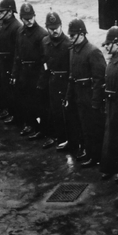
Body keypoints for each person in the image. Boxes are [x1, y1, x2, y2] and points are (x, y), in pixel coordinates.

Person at [65, 19, 106, 166]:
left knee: (93, 128)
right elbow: (71, 75)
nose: (70, 38)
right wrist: (68, 96)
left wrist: (96, 101)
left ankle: (95, 156)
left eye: (73, 35)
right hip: (78, 95)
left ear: (81, 34)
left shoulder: (93, 51)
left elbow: (99, 79)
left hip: (89, 96)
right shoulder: (73, 51)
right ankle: (89, 152)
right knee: (83, 127)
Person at [12, 3, 49, 138]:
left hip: (35, 73)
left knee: (39, 104)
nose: (29, 21)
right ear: (21, 18)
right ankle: (30, 124)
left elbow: (44, 60)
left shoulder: (42, 34)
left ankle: (40, 130)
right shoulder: (20, 32)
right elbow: (17, 54)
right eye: (26, 18)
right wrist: (15, 73)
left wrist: (41, 80)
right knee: (26, 101)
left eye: (31, 17)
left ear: (34, 16)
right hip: (24, 73)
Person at [39, 12, 72, 151]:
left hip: (65, 82)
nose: (54, 30)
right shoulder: (45, 42)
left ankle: (68, 139)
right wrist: (42, 82)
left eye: (57, 27)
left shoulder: (68, 44)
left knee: (66, 112)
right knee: (53, 111)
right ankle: (56, 136)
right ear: (47, 28)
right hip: (51, 81)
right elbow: (44, 62)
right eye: (51, 28)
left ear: (61, 26)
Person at [100, 26, 118, 181]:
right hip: (112, 104)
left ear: (117, 44)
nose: (106, 47)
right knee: (111, 137)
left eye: (109, 44)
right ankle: (111, 167)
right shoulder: (116, 59)